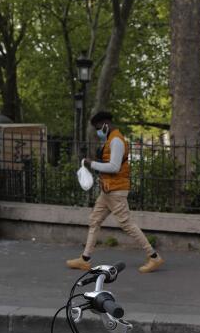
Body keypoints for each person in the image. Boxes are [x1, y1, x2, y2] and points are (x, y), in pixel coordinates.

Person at [66, 110, 164, 274]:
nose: (98, 132)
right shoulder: (111, 139)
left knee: (127, 224)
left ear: (105, 124)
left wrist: (92, 164)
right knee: (95, 220)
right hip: (108, 190)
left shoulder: (116, 141)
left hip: (116, 191)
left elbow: (114, 167)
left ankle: (154, 257)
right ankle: (85, 259)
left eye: (98, 127)